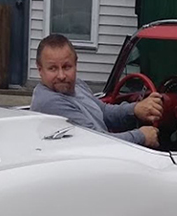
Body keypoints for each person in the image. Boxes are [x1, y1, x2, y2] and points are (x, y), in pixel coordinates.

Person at [30, 34, 163, 148]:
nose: (61, 75)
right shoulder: (49, 102)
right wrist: (141, 136)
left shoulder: (76, 85)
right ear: (40, 69)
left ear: (76, 64)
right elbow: (99, 141)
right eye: (52, 68)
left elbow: (103, 112)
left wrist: (136, 109)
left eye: (66, 67)